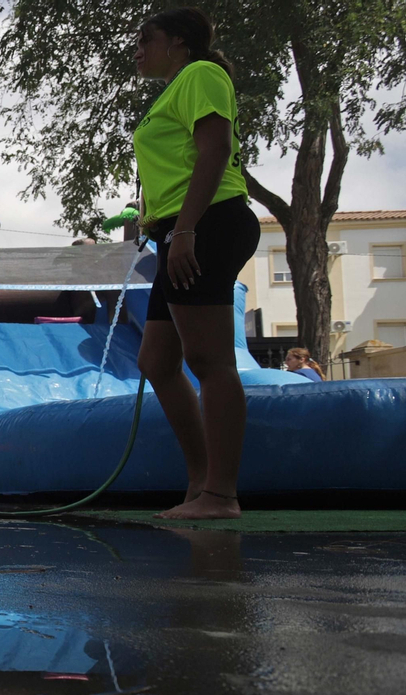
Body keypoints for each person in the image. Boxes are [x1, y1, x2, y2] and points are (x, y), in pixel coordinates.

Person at [132, 8, 259, 520]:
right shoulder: (173, 89)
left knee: (209, 361)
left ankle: (221, 496)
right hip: (180, 229)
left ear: (179, 42)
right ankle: (200, 483)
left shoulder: (201, 74)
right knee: (157, 362)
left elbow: (214, 150)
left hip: (208, 223)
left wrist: (184, 229)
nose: (137, 50)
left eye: (147, 40)